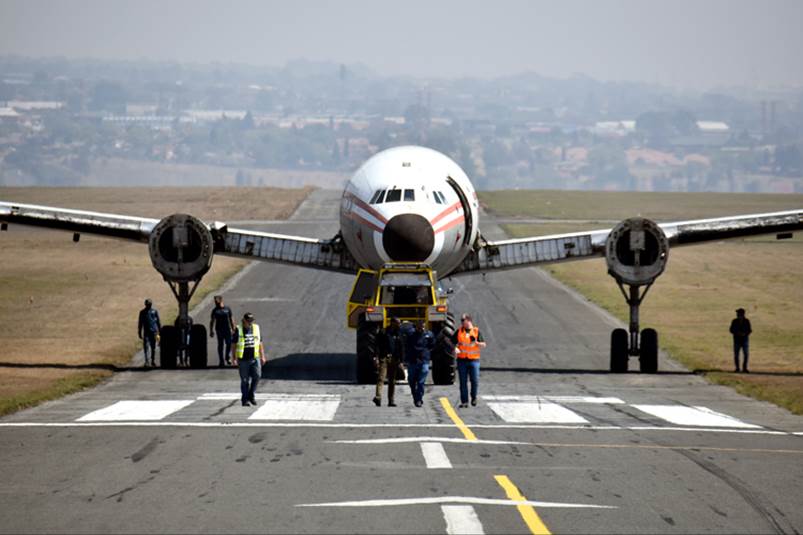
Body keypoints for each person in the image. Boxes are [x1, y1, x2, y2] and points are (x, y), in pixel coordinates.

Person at [231, 312, 266, 406]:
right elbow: (234, 345)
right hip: (243, 360)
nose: (250, 323)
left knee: (257, 376)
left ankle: (251, 394)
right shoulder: (239, 329)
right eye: (248, 321)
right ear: (244, 321)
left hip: (255, 357)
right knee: (245, 380)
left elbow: (260, 343)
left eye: (251, 321)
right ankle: (245, 399)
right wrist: (234, 357)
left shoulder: (256, 328)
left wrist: (262, 356)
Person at [453, 314, 486, 408]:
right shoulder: (459, 331)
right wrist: (455, 348)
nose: (462, 322)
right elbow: (451, 342)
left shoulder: (476, 331)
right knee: (463, 382)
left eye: (463, 320)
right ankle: (464, 402)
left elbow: (484, 345)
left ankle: (474, 397)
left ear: (469, 321)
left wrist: (477, 343)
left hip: (474, 360)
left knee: (475, 380)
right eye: (461, 320)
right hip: (462, 360)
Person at [373, 317, 404, 407]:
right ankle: (378, 397)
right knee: (381, 378)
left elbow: (401, 347)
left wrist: (401, 361)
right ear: (392, 323)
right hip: (384, 358)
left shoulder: (399, 333)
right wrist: (376, 357)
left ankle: (391, 400)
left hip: (394, 359)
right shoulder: (383, 332)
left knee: (392, 381)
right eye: (398, 323)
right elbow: (377, 346)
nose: (400, 325)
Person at [404, 320, 435, 407]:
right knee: (412, 381)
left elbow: (432, 345)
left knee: (421, 381)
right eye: (420, 327)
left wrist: (427, 354)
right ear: (416, 327)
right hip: (413, 360)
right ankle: (415, 396)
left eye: (423, 327)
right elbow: (406, 346)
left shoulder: (429, 335)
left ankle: (419, 398)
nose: (422, 328)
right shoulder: (410, 335)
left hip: (424, 360)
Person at [209, 295, 235, 367]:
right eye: (215, 302)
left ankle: (227, 357)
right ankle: (221, 360)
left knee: (229, 344)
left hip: (227, 329)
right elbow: (212, 321)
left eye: (217, 301)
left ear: (221, 300)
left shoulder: (227, 309)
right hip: (219, 330)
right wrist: (211, 330)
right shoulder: (215, 311)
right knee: (220, 345)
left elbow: (231, 319)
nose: (216, 303)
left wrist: (233, 329)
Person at [137, 298, 161, 367]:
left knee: (153, 347)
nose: (148, 305)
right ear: (145, 305)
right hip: (146, 332)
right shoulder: (142, 312)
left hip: (155, 332)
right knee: (146, 347)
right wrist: (139, 332)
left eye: (149, 304)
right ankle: (147, 361)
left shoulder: (154, 311)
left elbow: (158, 322)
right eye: (147, 304)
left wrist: (159, 334)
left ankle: (153, 361)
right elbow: (140, 323)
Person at [730, 308, 752, 373]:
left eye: (738, 313)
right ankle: (737, 368)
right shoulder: (734, 321)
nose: (737, 314)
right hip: (737, 340)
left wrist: (744, 334)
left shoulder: (747, 321)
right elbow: (731, 330)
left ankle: (744, 368)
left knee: (746, 355)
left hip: (745, 340)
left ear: (742, 314)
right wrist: (737, 333)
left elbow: (749, 330)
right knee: (736, 355)